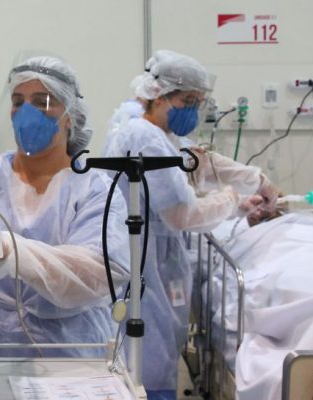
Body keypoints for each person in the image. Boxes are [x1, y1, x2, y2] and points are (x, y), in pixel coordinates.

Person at [103, 50, 275, 399]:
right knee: (149, 353)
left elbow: (196, 160)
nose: (192, 110)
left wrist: (247, 191)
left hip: (153, 256)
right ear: (160, 95)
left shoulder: (153, 129)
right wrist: (230, 197)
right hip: (145, 262)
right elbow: (181, 214)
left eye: (198, 101)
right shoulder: (145, 137)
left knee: (154, 346)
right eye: (187, 101)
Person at [0, 56, 130, 358]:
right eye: (18, 102)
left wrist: (8, 249)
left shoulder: (95, 189)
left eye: (42, 101)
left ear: (70, 115)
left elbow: (96, 273)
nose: (26, 112)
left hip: (68, 346)